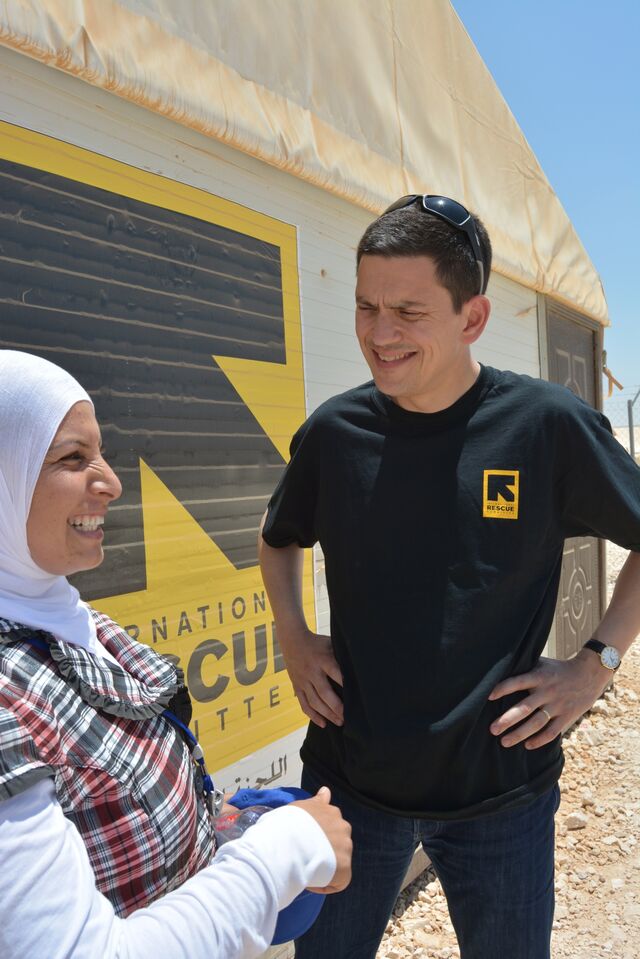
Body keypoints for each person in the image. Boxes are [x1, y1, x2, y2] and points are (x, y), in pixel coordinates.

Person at [258, 195, 640, 959]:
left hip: (500, 798)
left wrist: (596, 663)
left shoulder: (544, 425)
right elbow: (279, 539)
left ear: (473, 318)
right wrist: (294, 634)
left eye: (407, 309)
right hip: (349, 786)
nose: (379, 333)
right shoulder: (335, 434)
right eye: (366, 306)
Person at [0, 349, 352, 959]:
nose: (109, 482)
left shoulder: (61, 614)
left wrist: (217, 824)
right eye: (71, 458)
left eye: (102, 454)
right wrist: (286, 850)